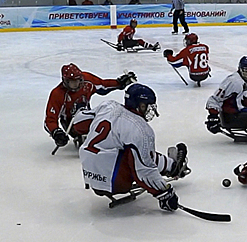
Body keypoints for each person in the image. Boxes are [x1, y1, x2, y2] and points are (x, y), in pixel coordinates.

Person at [80, 83, 190, 211]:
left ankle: (171, 165)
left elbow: (79, 123)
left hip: (88, 173)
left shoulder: (107, 106)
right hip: (115, 182)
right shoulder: (141, 129)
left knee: (136, 150)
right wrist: (164, 194)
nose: (149, 110)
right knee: (141, 155)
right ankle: (172, 167)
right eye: (147, 106)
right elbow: (143, 171)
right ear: (140, 105)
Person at [45, 63, 137, 148]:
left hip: (88, 115)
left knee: (108, 111)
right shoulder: (58, 94)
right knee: (92, 121)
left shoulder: (87, 81)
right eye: (72, 82)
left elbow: (103, 86)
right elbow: (49, 120)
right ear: (65, 81)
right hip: (71, 124)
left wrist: (120, 83)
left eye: (78, 80)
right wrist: (56, 132)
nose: (77, 84)